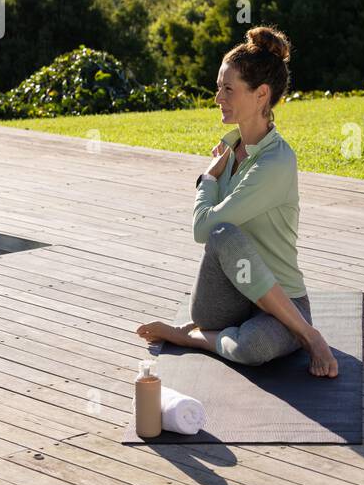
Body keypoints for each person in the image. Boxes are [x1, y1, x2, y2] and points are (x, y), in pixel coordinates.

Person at [135, 26, 338, 378]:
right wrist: (213, 177)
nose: (218, 98)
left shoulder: (275, 162)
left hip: (282, 305)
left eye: (228, 89)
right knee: (221, 240)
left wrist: (208, 180)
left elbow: (204, 227)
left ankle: (296, 333)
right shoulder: (228, 151)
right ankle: (207, 332)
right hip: (226, 300)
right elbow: (205, 232)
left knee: (253, 348)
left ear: (261, 94)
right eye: (219, 87)